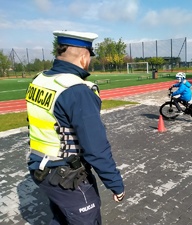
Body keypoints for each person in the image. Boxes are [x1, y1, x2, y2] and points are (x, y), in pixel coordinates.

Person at [25, 30, 125, 225]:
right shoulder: (77, 90)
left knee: (61, 217)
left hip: (40, 167)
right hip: (67, 176)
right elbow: (96, 148)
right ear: (84, 56)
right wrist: (115, 184)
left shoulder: (39, 80)